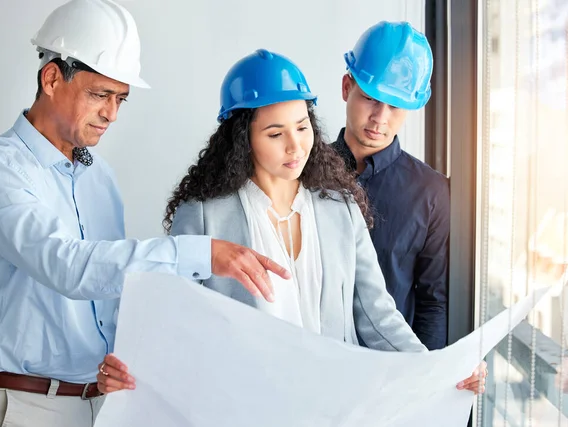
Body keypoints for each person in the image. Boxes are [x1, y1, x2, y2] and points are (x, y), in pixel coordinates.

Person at [0, 2, 288, 426]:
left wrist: (117, 356)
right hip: (16, 403)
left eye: (120, 98)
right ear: (51, 78)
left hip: (92, 404)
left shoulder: (99, 179)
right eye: (99, 94)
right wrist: (199, 254)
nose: (112, 114)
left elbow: (107, 293)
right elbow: (67, 266)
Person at [96, 48, 486, 397]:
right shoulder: (203, 215)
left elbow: (377, 315)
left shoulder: (341, 207)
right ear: (242, 138)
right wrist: (130, 369)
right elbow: (174, 322)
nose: (296, 146)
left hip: (331, 406)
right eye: (275, 133)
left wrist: (440, 372)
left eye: (302, 127)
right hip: (243, 407)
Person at [332, 21, 450, 350]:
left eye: (396, 105)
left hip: (392, 373)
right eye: (371, 98)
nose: (381, 118)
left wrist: (426, 384)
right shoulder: (300, 174)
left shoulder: (432, 192)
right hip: (316, 370)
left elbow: (433, 302)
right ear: (346, 87)